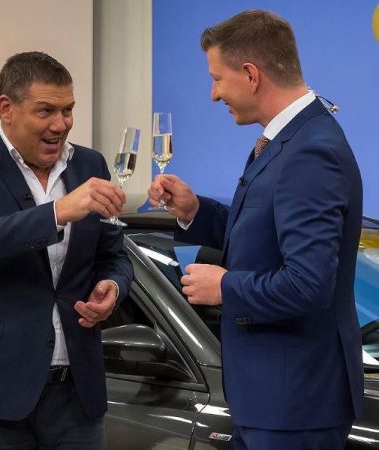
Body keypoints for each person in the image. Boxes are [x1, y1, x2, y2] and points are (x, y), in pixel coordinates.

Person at [148, 10, 363, 450]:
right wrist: (195, 211)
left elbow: (309, 284)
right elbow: (265, 235)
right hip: (274, 402)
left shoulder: (310, 151)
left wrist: (225, 287)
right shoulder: (294, 139)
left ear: (250, 74)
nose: (213, 94)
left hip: (295, 405)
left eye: (217, 79)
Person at [0, 51, 133, 450]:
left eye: (68, 110)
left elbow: (114, 256)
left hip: (77, 395)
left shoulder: (90, 165)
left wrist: (112, 287)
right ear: (6, 108)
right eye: (46, 111)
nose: (61, 124)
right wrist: (57, 212)